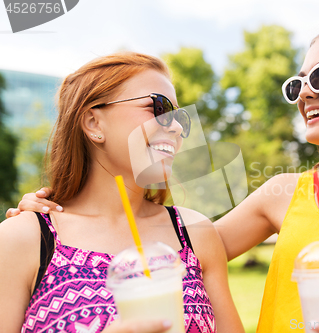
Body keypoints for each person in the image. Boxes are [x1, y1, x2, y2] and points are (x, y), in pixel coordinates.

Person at [8, 23, 319, 332]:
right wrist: (49, 217)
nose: (305, 92)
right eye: (297, 83)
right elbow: (172, 248)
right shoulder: (283, 195)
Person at [0, 52, 244, 333]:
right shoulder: (22, 239)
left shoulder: (196, 232)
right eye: (159, 108)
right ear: (94, 123)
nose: (176, 127)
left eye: (180, 117)